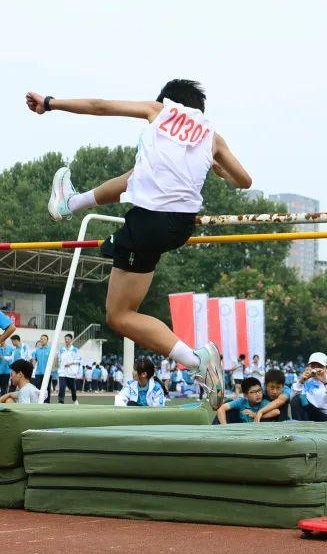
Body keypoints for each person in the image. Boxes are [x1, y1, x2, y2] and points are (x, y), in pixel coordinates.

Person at [26, 80, 254, 409]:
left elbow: (99, 105)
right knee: (136, 175)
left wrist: (50, 102)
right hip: (180, 226)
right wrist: (218, 169)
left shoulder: (159, 110)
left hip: (150, 222)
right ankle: (71, 203)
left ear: (169, 100)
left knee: (119, 315)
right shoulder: (212, 136)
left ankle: (194, 361)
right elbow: (245, 181)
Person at [290, 352, 327, 422]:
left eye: (320, 366)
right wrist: (301, 381)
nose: (316, 369)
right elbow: (292, 400)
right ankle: (301, 429)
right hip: (316, 414)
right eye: (313, 366)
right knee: (296, 399)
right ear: (308, 367)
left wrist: (325, 382)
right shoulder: (307, 382)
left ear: (326, 368)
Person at [58, 333, 81, 405]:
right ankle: (61, 401)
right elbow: (59, 359)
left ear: (71, 340)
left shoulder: (75, 350)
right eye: (65, 339)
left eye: (68, 339)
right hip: (62, 372)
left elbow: (78, 360)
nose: (66, 340)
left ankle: (74, 399)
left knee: (73, 388)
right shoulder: (61, 349)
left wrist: (70, 363)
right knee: (62, 387)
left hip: (71, 372)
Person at [31, 334, 52, 402]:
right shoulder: (37, 350)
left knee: (47, 389)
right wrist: (32, 366)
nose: (42, 340)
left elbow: (53, 361)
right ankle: (38, 402)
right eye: (41, 339)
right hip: (38, 373)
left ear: (47, 340)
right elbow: (34, 360)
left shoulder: (50, 349)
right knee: (38, 389)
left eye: (44, 339)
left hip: (47, 373)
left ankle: (46, 403)